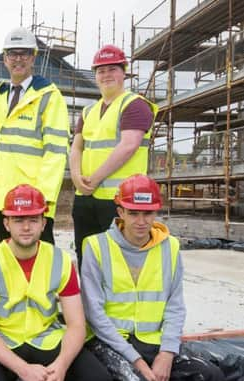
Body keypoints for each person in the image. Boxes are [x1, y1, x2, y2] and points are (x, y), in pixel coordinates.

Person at [81, 174, 227, 381]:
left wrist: (167, 353)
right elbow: (94, 314)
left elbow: (175, 304)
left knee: (210, 376)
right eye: (133, 213)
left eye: (148, 213)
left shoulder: (169, 247)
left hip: (154, 341)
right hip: (112, 343)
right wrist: (137, 361)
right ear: (120, 211)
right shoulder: (95, 246)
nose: (141, 221)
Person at [0, 184, 118, 381]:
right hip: (3, 342)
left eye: (32, 219)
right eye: (18, 219)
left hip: (47, 339)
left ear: (43, 222)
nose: (26, 226)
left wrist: (60, 367)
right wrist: (24, 370)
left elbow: (76, 324)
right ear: (6, 223)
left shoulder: (60, 260)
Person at [69, 44, 158, 269]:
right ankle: (89, 304)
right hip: (86, 197)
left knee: (117, 260)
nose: (106, 75)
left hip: (120, 200)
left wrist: (94, 179)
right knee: (86, 256)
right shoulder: (88, 111)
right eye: (101, 70)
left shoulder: (135, 105)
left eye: (112, 69)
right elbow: (76, 147)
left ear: (123, 73)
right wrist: (77, 176)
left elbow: (128, 146)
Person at [0, 27, 69, 245]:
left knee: (40, 269)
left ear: (34, 57)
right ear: (5, 59)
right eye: (12, 54)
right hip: (1, 202)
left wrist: (42, 198)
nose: (18, 59)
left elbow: (56, 152)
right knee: (7, 268)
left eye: (24, 53)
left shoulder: (49, 97)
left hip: (32, 203)